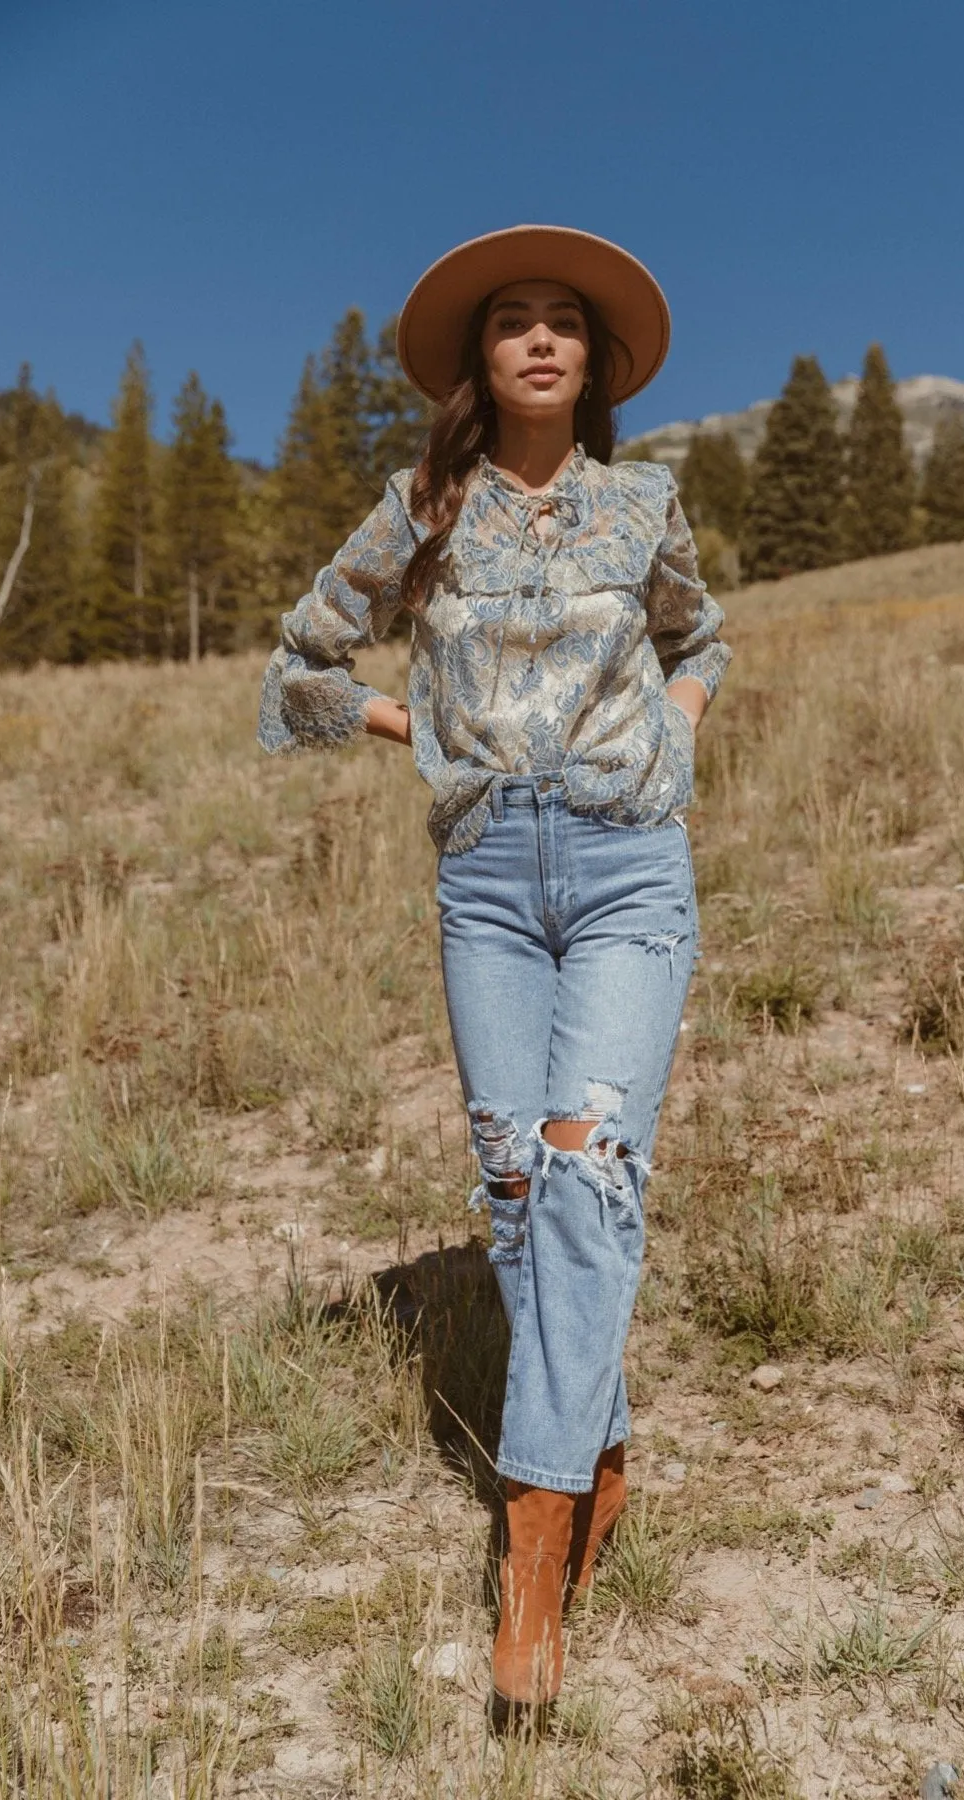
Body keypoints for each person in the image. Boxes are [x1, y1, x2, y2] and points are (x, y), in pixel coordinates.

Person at [257, 225, 731, 1720]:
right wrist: (424, 734)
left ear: (593, 364)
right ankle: (600, 1463)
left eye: (562, 325)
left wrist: (679, 727)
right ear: (480, 361)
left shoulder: (643, 500)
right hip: (483, 880)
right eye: (511, 323)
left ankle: (530, 1564)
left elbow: (701, 636)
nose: (537, 341)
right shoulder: (420, 510)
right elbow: (298, 673)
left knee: (588, 1170)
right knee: (518, 1188)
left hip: (622, 865)